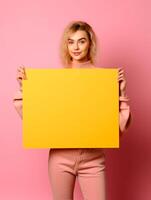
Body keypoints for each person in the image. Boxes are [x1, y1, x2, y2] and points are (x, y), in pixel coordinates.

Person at [13, 20, 132, 200]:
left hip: (93, 159)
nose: (75, 47)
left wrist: (121, 92)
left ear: (90, 43)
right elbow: (35, 119)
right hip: (60, 159)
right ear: (66, 45)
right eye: (71, 41)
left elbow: (117, 129)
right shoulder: (56, 81)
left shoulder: (104, 80)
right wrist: (26, 88)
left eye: (81, 41)